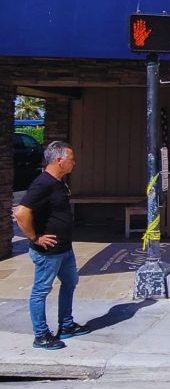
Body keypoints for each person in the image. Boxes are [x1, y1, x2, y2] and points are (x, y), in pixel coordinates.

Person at [12, 141, 92, 351]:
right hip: (49, 252)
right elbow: (21, 213)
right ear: (59, 160)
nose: (74, 162)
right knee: (41, 291)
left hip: (64, 248)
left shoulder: (58, 182)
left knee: (70, 282)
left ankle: (66, 325)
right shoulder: (43, 183)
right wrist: (35, 237)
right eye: (71, 159)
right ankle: (41, 335)